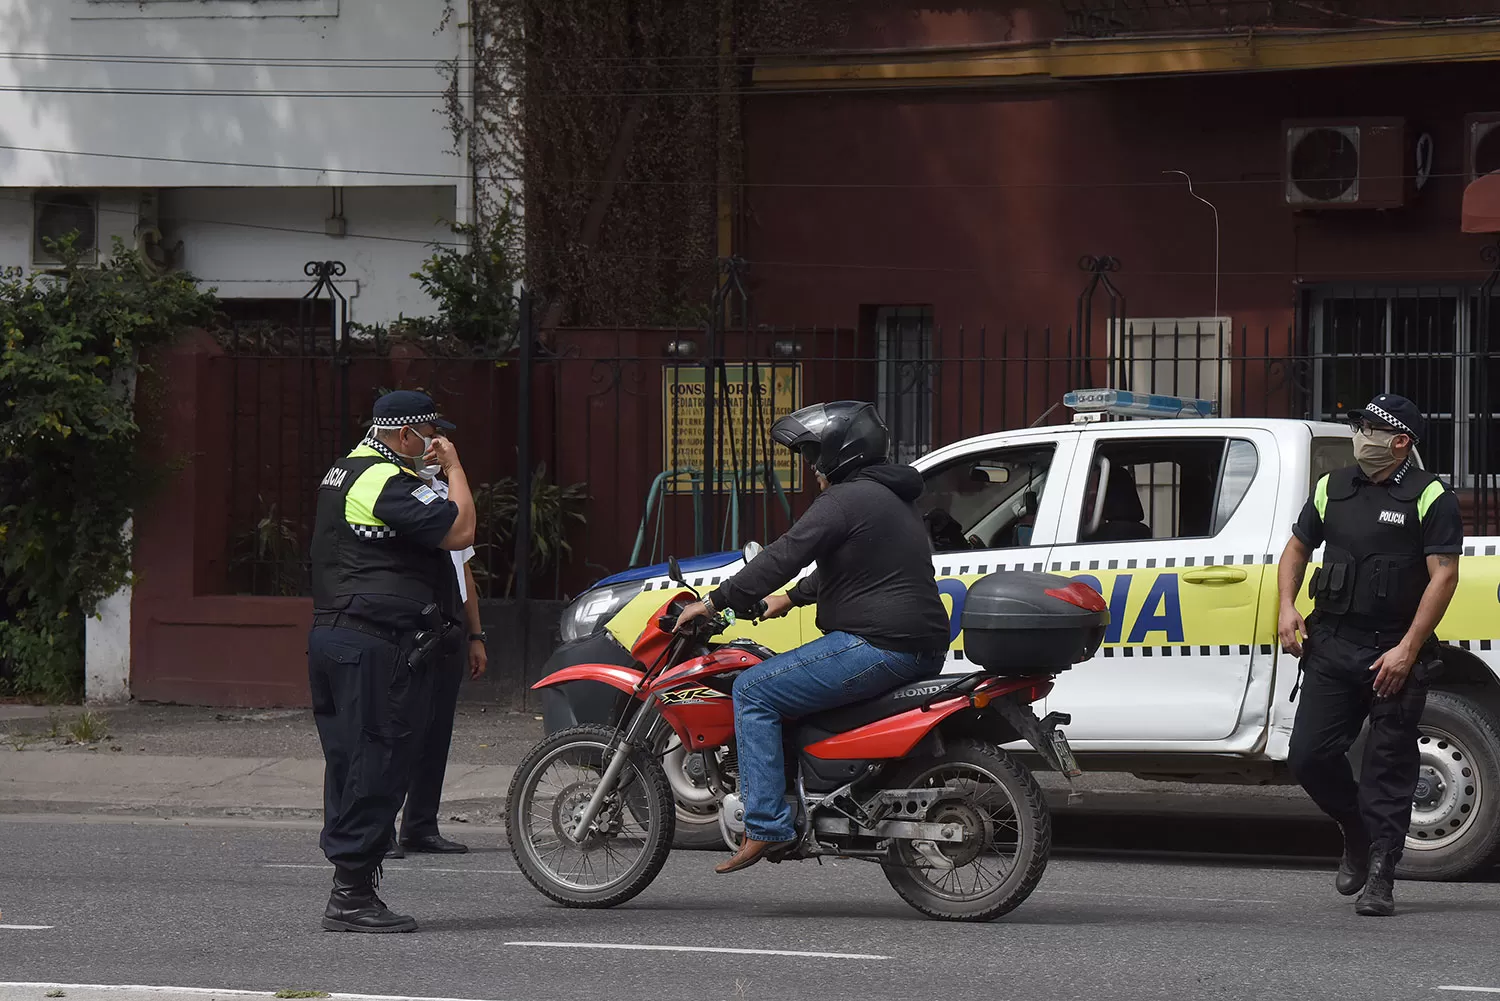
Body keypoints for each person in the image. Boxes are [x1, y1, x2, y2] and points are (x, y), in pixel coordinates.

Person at [675, 401, 951, 874]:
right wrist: (789, 599)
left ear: (838, 453)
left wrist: (715, 601)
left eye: (813, 456)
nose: (812, 469)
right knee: (786, 689)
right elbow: (859, 565)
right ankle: (805, 800)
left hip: (879, 644)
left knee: (754, 689)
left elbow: (786, 553)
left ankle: (765, 825)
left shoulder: (845, 500)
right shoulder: (891, 498)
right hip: (915, 645)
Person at [1277, 393, 1462, 917]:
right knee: (1309, 756)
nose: (1360, 435)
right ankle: (1355, 831)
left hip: (1394, 653)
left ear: (1401, 441)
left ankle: (1382, 873)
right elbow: (1297, 548)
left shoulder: (1430, 497)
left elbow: (1444, 575)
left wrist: (1407, 649)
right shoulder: (1332, 487)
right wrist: (1288, 607)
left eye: (1370, 428)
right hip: (1332, 643)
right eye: (1358, 425)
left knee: (1388, 768)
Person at [307, 390, 475, 933]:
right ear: (405, 435)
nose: (436, 442)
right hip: (373, 645)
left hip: (337, 637)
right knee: (376, 761)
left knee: (351, 762)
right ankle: (351, 896)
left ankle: (351, 884)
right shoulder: (384, 480)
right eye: (429, 433)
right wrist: (455, 469)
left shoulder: (347, 470)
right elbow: (460, 530)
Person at [387, 462, 489, 859]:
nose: (433, 448)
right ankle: (381, 828)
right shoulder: (396, 490)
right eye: (427, 436)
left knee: (436, 730)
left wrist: (475, 634)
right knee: (400, 730)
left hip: (449, 623)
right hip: (411, 624)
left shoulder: (449, 495)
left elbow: (465, 571)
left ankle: (420, 825)